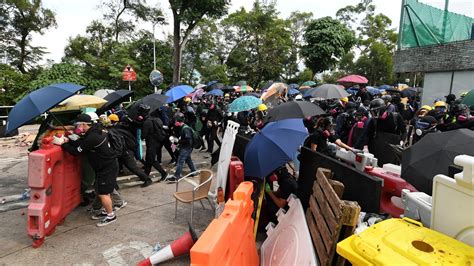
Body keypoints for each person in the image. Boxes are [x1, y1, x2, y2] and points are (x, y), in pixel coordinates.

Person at [62, 113, 118, 227]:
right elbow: (83, 143)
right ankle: (105, 210)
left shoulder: (92, 136)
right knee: (100, 190)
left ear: (83, 124)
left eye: (77, 125)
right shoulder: (96, 130)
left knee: (103, 193)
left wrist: (63, 144)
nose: (77, 127)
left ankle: (111, 216)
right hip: (105, 165)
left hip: (107, 167)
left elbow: (77, 151)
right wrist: (71, 140)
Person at [141, 104, 168, 182]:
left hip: (151, 143)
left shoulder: (147, 122)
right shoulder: (156, 119)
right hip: (157, 141)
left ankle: (164, 173)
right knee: (148, 160)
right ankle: (146, 176)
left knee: (152, 160)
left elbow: (143, 135)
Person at [166, 114, 197, 183]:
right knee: (188, 159)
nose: (174, 123)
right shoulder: (182, 127)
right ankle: (194, 172)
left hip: (187, 147)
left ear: (178, 121)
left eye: (175, 121)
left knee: (180, 161)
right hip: (186, 147)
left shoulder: (185, 129)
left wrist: (178, 141)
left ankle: (177, 176)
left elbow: (188, 140)